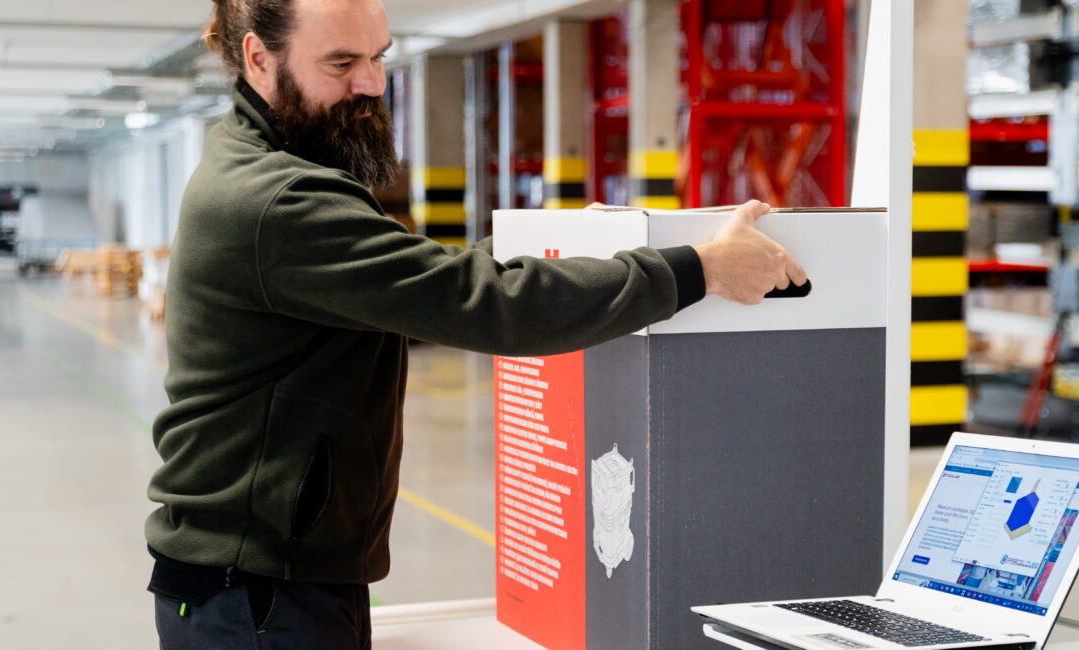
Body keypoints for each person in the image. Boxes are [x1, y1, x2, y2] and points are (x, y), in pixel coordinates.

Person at [145, 0, 808, 647]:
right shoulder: (279, 201)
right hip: (258, 596)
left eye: (378, 57)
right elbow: (490, 306)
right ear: (260, 58)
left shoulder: (266, 164)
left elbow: (420, 282)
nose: (372, 84)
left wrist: (556, 238)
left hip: (269, 582)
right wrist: (702, 270)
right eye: (342, 62)